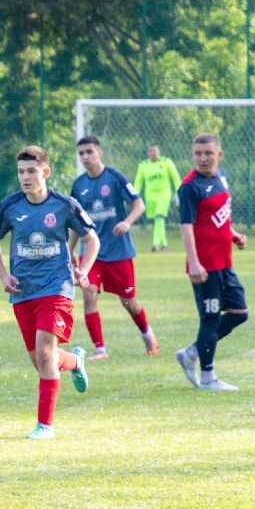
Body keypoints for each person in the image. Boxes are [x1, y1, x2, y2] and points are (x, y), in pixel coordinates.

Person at [0, 145, 99, 440]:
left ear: (45, 172)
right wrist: (3, 275)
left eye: (32, 171)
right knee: (41, 360)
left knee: (46, 354)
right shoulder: (10, 206)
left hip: (57, 288)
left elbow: (92, 239)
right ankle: (74, 361)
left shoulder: (64, 205)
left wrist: (83, 270)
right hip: (23, 291)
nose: (25, 177)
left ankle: (45, 425)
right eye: (21, 172)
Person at [173, 133, 248, 391]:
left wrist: (233, 234)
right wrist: (194, 263)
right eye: (198, 153)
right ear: (193, 154)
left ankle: (192, 352)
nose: (203, 158)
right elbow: (187, 227)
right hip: (205, 266)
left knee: (240, 313)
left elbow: (218, 216)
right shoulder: (189, 187)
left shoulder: (221, 178)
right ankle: (208, 377)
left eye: (208, 153)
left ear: (219, 154)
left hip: (224, 262)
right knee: (210, 319)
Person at [70, 136, 155, 358]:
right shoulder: (79, 185)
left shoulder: (115, 178)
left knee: (129, 302)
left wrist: (126, 222)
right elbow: (74, 222)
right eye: (81, 153)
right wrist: (69, 250)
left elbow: (139, 204)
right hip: (91, 255)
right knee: (89, 295)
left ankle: (146, 333)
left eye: (89, 151)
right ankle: (100, 349)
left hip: (119, 253)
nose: (85, 157)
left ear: (100, 152)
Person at [134, 144, 181, 253]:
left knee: (159, 216)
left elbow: (175, 177)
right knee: (158, 219)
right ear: (148, 153)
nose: (153, 153)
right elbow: (138, 182)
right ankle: (164, 245)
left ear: (159, 151)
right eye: (151, 151)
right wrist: (134, 196)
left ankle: (155, 244)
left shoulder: (166, 162)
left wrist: (179, 192)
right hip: (150, 197)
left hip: (164, 194)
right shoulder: (143, 165)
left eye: (155, 151)